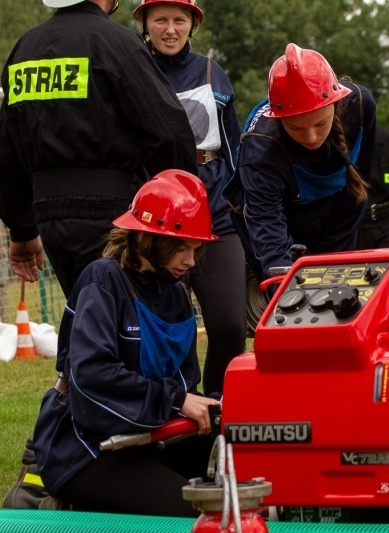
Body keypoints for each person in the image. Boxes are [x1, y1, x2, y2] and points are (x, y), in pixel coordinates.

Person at [28, 170, 221, 515]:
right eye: (181, 248)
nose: (190, 261)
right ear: (148, 239)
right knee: (199, 510)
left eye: (196, 249)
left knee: (249, 465)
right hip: (86, 449)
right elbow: (92, 378)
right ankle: (60, 500)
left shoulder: (176, 295)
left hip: (149, 439)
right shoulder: (102, 280)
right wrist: (178, 402)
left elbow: (184, 384)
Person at [0, 0, 198, 299]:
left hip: (49, 218)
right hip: (112, 217)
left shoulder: (24, 49)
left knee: (85, 314)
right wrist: (178, 211)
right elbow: (170, 133)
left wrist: (22, 231)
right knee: (121, 320)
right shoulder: (116, 43)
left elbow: (7, 152)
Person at [133, 0, 246, 395]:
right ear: (145, 23)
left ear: (191, 25)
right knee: (164, 329)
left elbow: (233, 150)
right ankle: (174, 416)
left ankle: (221, 415)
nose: (169, 29)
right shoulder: (132, 69)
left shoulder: (213, 72)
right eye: (159, 19)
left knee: (231, 326)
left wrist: (239, 208)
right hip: (158, 221)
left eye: (179, 20)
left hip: (215, 214)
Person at [223, 43, 377, 290]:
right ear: (280, 119)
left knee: (337, 287)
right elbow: (271, 242)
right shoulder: (260, 151)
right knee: (293, 297)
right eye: (295, 128)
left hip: (333, 203)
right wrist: (290, 294)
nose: (311, 137)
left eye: (320, 123)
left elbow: (355, 191)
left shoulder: (359, 106)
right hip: (270, 214)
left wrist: (335, 268)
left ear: (335, 105)